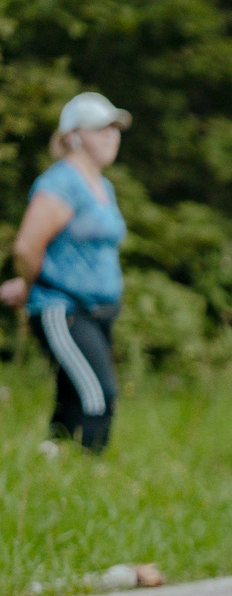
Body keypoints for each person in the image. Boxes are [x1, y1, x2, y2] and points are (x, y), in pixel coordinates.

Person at [5, 92, 132, 452]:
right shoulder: (61, 183)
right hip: (64, 307)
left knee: (73, 398)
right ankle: (88, 473)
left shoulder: (102, 186)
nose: (112, 136)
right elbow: (27, 247)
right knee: (99, 395)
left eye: (115, 128)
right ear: (74, 136)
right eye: (102, 128)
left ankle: (52, 465)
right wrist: (30, 286)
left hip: (98, 311)